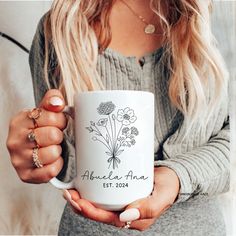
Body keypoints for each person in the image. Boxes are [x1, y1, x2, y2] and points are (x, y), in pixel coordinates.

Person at [6, 0, 230, 235]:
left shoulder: (206, 14)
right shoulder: (59, 29)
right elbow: (69, 164)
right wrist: (40, 150)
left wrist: (178, 176)